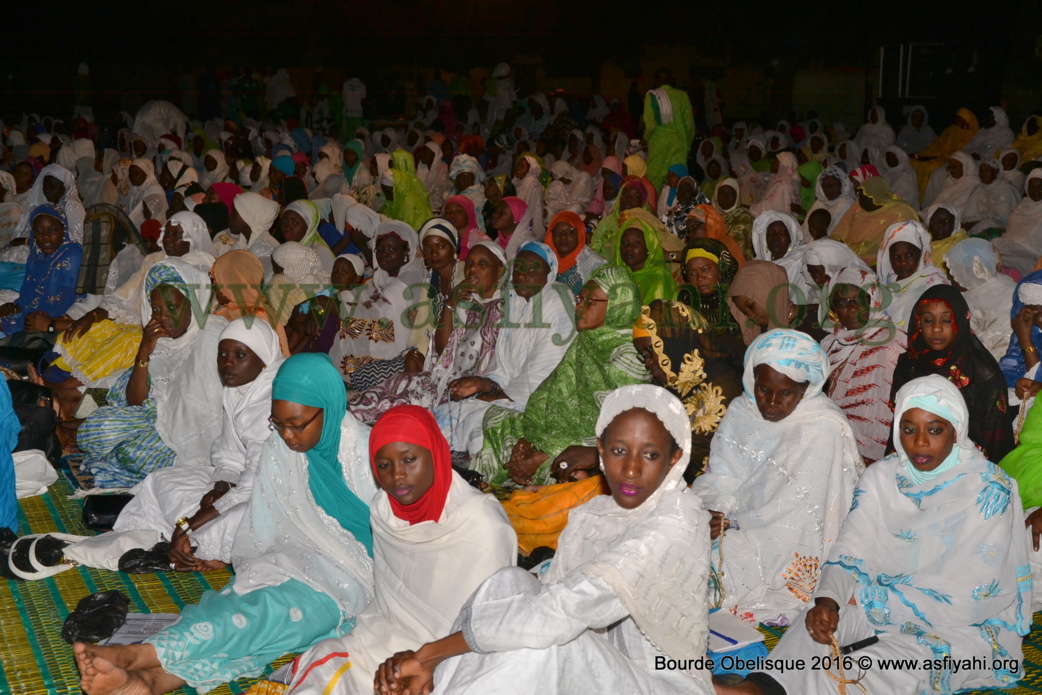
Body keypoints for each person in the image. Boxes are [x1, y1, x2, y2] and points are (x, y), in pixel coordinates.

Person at [374, 384, 714, 695]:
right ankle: (434, 681)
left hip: (660, 682)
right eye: (619, 450)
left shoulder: (677, 521)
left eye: (650, 455)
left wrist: (429, 653)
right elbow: (551, 592)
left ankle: (428, 670)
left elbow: (560, 613)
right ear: (600, 450)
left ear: (674, 458)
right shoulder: (597, 512)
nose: (630, 469)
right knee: (508, 583)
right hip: (603, 665)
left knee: (544, 646)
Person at [73, 354, 377, 695]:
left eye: (298, 424)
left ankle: (137, 656)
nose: (288, 436)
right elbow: (268, 514)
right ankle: (150, 681)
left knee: (270, 616)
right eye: (279, 424)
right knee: (238, 609)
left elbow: (398, 539)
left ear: (330, 406)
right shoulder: (281, 447)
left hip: (353, 578)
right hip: (293, 560)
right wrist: (218, 545)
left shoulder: (368, 455)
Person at [718, 376, 1031, 695]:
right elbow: (849, 550)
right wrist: (829, 602)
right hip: (881, 603)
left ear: (957, 429)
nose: (920, 442)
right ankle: (758, 689)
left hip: (961, 630)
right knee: (813, 627)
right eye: (909, 429)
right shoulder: (883, 478)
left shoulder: (989, 490)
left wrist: (873, 597)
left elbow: (973, 594)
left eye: (935, 430)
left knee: (871, 667)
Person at [284, 405, 517, 695]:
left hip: (458, 658)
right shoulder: (384, 511)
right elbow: (390, 604)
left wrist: (429, 663)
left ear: (436, 453)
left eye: (409, 460)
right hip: (386, 641)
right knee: (326, 660)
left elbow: (492, 626)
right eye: (384, 465)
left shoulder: (481, 525)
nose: (397, 475)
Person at [693, 329, 862, 625]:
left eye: (786, 393)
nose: (771, 402)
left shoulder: (825, 426)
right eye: (763, 389)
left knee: (716, 580)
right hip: (739, 523)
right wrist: (713, 506)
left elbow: (822, 512)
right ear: (751, 379)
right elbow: (722, 473)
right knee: (681, 559)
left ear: (806, 387)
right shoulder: (740, 411)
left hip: (794, 542)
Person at [472, 265, 649, 487]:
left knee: (567, 471)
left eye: (590, 301)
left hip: (595, 452)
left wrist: (544, 454)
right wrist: (528, 440)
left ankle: (534, 475)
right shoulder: (586, 340)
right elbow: (548, 394)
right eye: (579, 298)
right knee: (497, 420)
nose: (579, 306)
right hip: (555, 438)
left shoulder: (629, 356)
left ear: (617, 305)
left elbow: (614, 431)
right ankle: (512, 474)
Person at [77, 259, 227, 487]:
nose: (163, 317)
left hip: (193, 438)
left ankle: (129, 460)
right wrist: (144, 352)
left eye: (173, 308)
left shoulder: (212, 335)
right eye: (156, 309)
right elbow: (135, 403)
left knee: (134, 453)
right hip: (152, 420)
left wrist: (166, 418)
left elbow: (207, 407)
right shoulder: (159, 343)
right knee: (96, 429)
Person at [434, 241, 574, 455]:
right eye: (517, 268)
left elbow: (543, 372)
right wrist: (481, 384)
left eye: (532, 268)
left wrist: (500, 397)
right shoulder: (515, 305)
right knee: (441, 416)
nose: (522, 274)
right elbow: (503, 366)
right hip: (510, 397)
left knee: (482, 429)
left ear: (549, 273)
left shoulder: (556, 300)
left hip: (541, 405)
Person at [348, 242, 506, 422]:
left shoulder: (507, 309)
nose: (472, 269)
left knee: (400, 410)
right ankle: (342, 417)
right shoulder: (465, 301)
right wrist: (450, 304)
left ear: (499, 272)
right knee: (394, 387)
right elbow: (442, 350)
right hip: (441, 379)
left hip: (470, 390)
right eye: (469, 263)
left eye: (482, 264)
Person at [891, 285, 1014, 462]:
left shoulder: (981, 371)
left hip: (967, 464)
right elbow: (898, 426)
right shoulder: (908, 365)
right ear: (918, 323)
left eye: (947, 320)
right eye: (928, 320)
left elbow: (995, 441)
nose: (937, 329)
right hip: (914, 457)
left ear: (961, 321)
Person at [633, 300, 742, 481]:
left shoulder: (723, 385)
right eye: (643, 354)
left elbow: (689, 462)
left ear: (674, 341)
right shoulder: (673, 380)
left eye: (650, 350)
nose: (647, 362)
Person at [329, 221, 430, 385]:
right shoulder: (380, 278)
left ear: (407, 253)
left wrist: (339, 303)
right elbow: (357, 296)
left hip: (402, 355)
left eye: (392, 249)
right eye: (380, 248)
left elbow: (380, 316)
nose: (384, 254)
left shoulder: (412, 281)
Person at [821, 268, 905, 463]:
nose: (852, 309)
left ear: (872, 300)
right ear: (833, 308)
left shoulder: (890, 342)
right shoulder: (829, 344)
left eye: (859, 300)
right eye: (842, 303)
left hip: (878, 454)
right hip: (832, 442)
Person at [0, 204, 83, 336]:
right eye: (38, 231)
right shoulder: (35, 257)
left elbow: (70, 305)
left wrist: (45, 323)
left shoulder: (71, 255)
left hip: (57, 326)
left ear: (63, 230)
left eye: (52, 230)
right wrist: (15, 307)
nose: (45, 236)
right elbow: (29, 297)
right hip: (33, 319)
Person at [944, 238, 1016, 362]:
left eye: (954, 270)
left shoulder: (1011, 295)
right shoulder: (965, 297)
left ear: (969, 271)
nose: (950, 276)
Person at [875, 219, 950, 332]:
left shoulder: (934, 283)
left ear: (920, 254)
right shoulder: (886, 284)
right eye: (896, 257)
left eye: (909, 255)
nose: (903, 262)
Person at [830, 175, 918, 267]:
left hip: (878, 262)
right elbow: (840, 230)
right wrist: (839, 245)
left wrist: (847, 248)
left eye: (864, 197)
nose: (859, 201)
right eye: (859, 197)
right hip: (846, 255)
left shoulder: (899, 212)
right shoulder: (857, 207)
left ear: (876, 196)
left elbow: (883, 246)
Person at [910, 107, 979, 202]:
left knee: (931, 167)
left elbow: (961, 155)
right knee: (914, 163)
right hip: (941, 157)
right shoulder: (950, 131)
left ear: (966, 122)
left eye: (959, 120)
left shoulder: (970, 136)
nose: (956, 122)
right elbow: (937, 146)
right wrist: (921, 155)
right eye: (956, 119)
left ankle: (925, 200)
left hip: (952, 161)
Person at [12, 163, 87, 244]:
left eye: (52, 187)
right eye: (45, 187)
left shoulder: (71, 207)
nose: (47, 190)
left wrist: (29, 242)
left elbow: (78, 240)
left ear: (64, 188)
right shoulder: (49, 206)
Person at [213, 192, 281, 277]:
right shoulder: (243, 241)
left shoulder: (265, 249)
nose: (230, 216)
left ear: (249, 217)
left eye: (235, 213)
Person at [727, 260, 793, 347]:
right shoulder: (756, 336)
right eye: (745, 313)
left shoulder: (814, 320)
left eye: (751, 306)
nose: (750, 316)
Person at [750, 211, 811, 304]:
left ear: (791, 235)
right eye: (770, 233)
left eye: (781, 232)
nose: (775, 237)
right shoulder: (758, 264)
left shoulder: (802, 260)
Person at [614, 216, 677, 303]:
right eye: (624, 243)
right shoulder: (619, 277)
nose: (629, 247)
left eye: (636, 243)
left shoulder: (657, 281)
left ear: (649, 248)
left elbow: (653, 315)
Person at [544, 210, 606, 295]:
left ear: (579, 233)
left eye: (569, 232)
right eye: (557, 232)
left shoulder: (594, 264)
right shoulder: (546, 260)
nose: (563, 237)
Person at [992, 169, 1042, 275]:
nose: (1036, 191)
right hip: (1007, 245)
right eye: (1032, 187)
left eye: (1040, 187)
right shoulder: (1023, 205)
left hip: (1031, 254)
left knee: (1001, 262)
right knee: (984, 255)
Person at [280, 199, 336, 274]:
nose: (287, 227)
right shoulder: (287, 249)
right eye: (284, 221)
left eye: (295, 223)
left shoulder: (316, 254)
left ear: (310, 226)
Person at [711, 177, 754, 260]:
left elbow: (736, 245)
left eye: (730, 194)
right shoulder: (711, 217)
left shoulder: (744, 217)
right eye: (722, 193)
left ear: (737, 196)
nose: (725, 197)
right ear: (716, 195)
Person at [750, 152, 800, 217]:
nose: (772, 164)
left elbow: (770, 208)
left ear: (782, 165)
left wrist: (751, 208)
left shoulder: (784, 185)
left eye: (775, 162)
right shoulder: (781, 180)